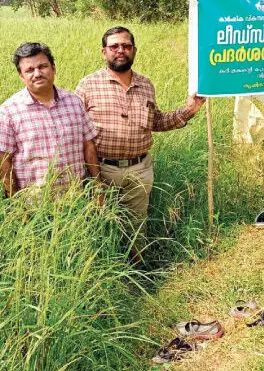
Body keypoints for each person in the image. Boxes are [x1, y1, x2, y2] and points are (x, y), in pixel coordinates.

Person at [75, 26, 206, 243]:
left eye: (126, 46)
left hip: (140, 169)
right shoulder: (88, 84)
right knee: (99, 225)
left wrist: (189, 111)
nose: (120, 50)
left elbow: (156, 121)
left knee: (136, 228)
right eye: (114, 46)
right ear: (103, 52)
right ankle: (106, 271)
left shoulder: (145, 85)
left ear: (134, 50)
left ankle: (138, 269)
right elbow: (76, 128)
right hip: (100, 170)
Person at [0, 42, 99, 198]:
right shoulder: (9, 111)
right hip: (33, 204)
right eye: (29, 70)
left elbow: (89, 146)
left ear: (53, 68)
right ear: (21, 75)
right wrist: (16, 205)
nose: (37, 73)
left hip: (77, 199)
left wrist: (98, 189)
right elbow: (4, 162)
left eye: (43, 66)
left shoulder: (74, 102)